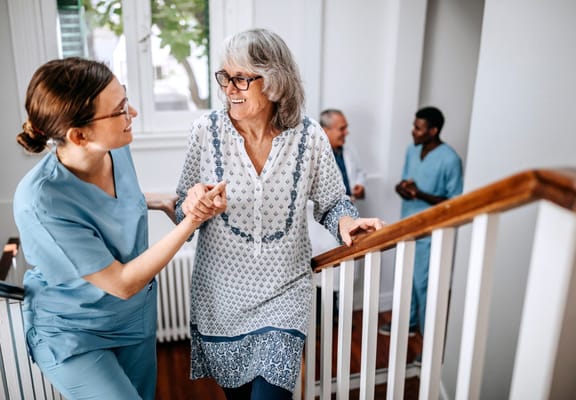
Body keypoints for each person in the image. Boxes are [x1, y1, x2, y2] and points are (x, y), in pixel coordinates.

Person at [175, 28, 384, 399]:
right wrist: (191, 205)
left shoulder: (310, 137)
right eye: (224, 77)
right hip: (220, 298)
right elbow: (182, 212)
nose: (229, 89)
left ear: (273, 82)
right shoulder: (205, 132)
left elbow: (332, 201)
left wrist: (347, 222)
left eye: (241, 79)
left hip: (283, 293)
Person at [13, 57, 226, 400]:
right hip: (74, 332)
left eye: (124, 98)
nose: (134, 113)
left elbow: (116, 201)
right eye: (120, 109)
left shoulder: (114, 149)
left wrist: (172, 201)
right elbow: (122, 282)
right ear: (79, 135)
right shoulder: (41, 200)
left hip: (132, 319)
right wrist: (193, 219)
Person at [379, 106, 463, 349]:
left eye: (418, 128)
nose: (413, 131)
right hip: (408, 226)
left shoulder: (450, 159)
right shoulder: (412, 150)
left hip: (432, 232)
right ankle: (410, 323)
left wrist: (421, 194)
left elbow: (455, 202)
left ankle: (429, 344)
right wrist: (402, 189)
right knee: (407, 279)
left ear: (433, 131)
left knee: (425, 286)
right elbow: (406, 183)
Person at [308, 109, 367, 320]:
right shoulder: (312, 155)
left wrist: (359, 185)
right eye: (342, 128)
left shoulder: (348, 152)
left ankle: (334, 317)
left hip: (345, 219)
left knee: (341, 276)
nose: (346, 132)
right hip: (321, 230)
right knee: (322, 276)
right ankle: (320, 322)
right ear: (325, 130)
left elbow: (359, 172)